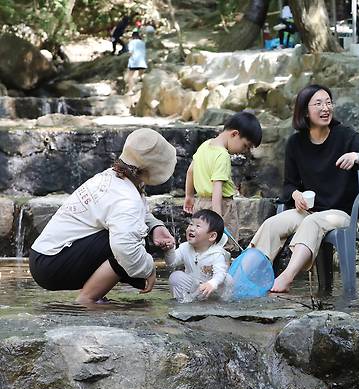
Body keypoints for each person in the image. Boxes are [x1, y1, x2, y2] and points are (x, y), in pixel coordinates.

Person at [249, 84, 359, 293]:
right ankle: (249, 275)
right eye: (318, 103)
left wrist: (356, 156)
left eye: (328, 103)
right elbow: (289, 184)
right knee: (272, 224)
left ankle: (286, 277)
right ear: (304, 111)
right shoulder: (295, 143)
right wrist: (296, 194)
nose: (325, 108)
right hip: (310, 210)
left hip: (341, 213)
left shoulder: (345, 136)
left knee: (312, 222)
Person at [29, 128, 177, 304]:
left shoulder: (113, 177)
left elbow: (134, 213)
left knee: (133, 238)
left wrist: (155, 226)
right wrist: (149, 269)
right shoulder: (127, 198)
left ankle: (94, 294)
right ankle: (87, 300)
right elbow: (124, 247)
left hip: (43, 258)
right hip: (52, 265)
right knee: (130, 243)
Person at [184, 112, 262, 242]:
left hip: (200, 204)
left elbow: (190, 171)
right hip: (221, 206)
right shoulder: (222, 156)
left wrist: (189, 196)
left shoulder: (205, 145)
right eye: (245, 146)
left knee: (202, 244)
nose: (244, 151)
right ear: (234, 134)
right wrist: (217, 220)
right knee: (224, 245)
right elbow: (217, 188)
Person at [166, 209, 231, 302]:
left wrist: (212, 284)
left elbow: (220, 273)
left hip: (214, 291)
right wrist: (169, 250)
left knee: (227, 279)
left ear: (212, 236)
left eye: (198, 226)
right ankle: (182, 304)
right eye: (191, 224)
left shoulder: (217, 253)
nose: (192, 228)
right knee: (175, 277)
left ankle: (220, 304)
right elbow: (171, 263)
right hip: (196, 288)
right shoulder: (185, 248)